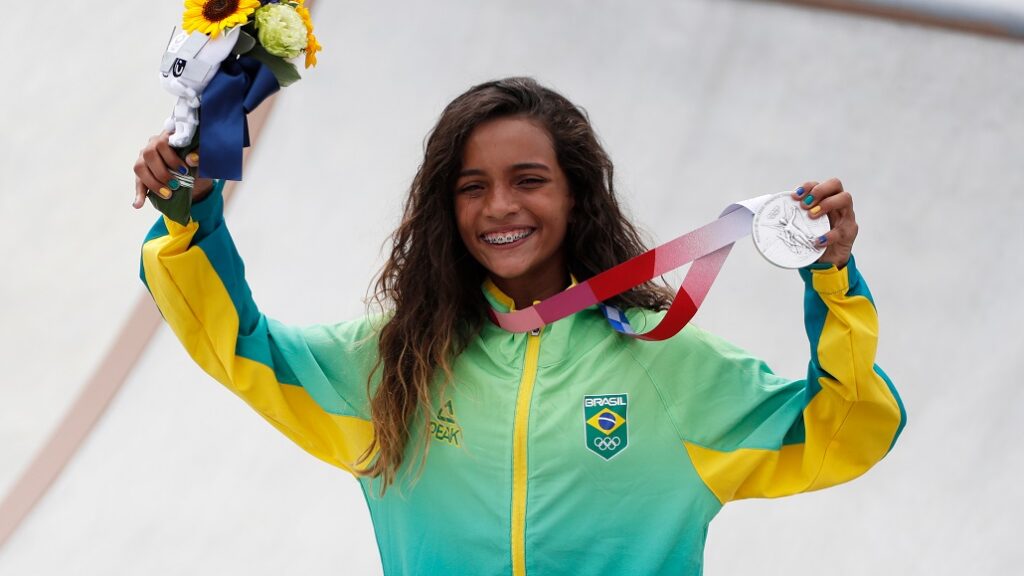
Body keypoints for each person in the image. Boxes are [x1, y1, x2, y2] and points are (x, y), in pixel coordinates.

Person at [132, 77, 906, 575]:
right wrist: (189, 213)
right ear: (447, 208)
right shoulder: (395, 363)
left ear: (576, 196)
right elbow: (238, 344)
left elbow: (845, 428)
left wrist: (831, 278)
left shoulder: (669, 362)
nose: (500, 206)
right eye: (472, 187)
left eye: (529, 180)